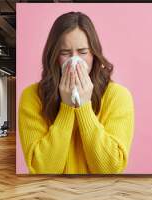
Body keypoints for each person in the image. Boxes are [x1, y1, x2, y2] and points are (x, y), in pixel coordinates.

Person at [18, 11, 135, 174]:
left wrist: (84, 107)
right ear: (54, 56)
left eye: (82, 52)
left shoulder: (118, 96)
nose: (74, 61)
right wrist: (66, 107)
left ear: (94, 54)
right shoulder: (32, 96)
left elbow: (110, 168)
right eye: (65, 53)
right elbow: (42, 169)